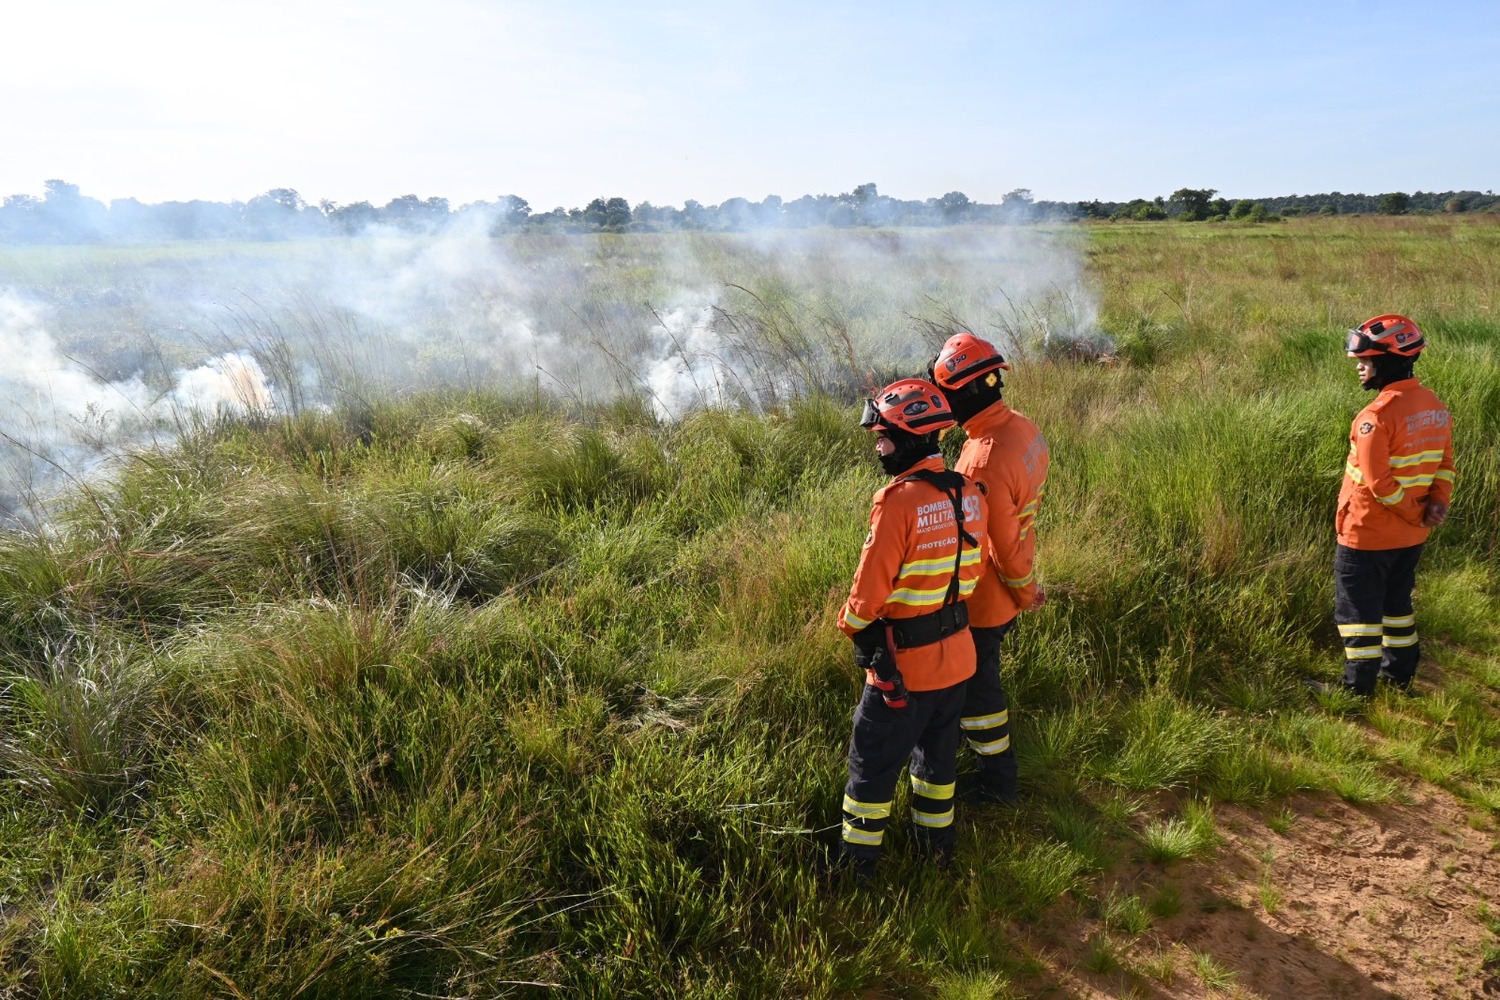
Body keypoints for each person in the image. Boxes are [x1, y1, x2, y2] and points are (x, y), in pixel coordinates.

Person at [836, 377, 991, 878]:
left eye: (882, 437)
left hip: (900, 674)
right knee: (937, 768)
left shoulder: (896, 502)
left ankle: (857, 867)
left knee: (872, 770)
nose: (878, 447)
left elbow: (866, 597)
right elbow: (973, 572)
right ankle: (937, 852)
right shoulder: (969, 493)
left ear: (907, 437)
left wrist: (851, 625)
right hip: (958, 662)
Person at [929, 333, 1048, 804]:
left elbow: (999, 545)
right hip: (1006, 586)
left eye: (948, 396)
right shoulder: (1023, 429)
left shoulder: (983, 459)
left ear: (969, 391)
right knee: (976, 681)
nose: (945, 406)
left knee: (981, 693)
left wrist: (1025, 592)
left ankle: (997, 779)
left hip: (987, 598)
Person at [1322, 314, 1455, 696]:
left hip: (1365, 534)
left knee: (1357, 617)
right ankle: (1399, 677)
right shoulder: (1434, 406)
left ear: (1388, 362)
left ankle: (1355, 692)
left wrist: (1416, 511)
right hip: (1411, 536)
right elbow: (1444, 466)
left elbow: (1380, 484)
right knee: (1397, 606)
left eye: (1366, 361)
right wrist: (1435, 506)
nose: (1361, 368)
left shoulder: (1374, 418)